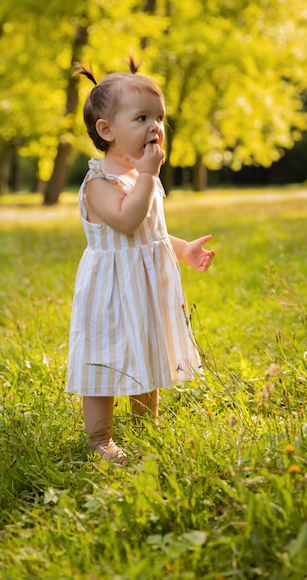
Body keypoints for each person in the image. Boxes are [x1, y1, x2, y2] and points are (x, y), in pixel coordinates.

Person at [65, 59, 215, 464]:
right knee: (106, 357)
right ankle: (100, 442)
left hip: (145, 285)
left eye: (160, 118)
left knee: (147, 349)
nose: (156, 127)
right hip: (111, 289)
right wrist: (149, 176)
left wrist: (184, 250)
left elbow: (152, 232)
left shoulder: (138, 176)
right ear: (107, 130)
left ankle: (147, 425)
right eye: (142, 117)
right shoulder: (100, 183)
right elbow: (128, 222)